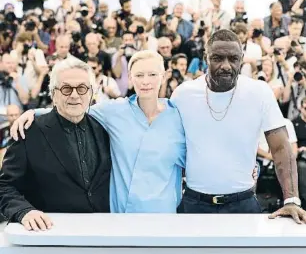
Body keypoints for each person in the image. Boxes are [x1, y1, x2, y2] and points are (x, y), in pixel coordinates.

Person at [11, 50, 259, 215]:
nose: (146, 80)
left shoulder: (179, 116)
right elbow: (75, 106)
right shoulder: (113, 111)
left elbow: (203, 153)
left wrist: (241, 166)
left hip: (164, 215)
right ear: (131, 79)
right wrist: (35, 112)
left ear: (163, 76)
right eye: (139, 75)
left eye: (152, 74)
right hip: (119, 215)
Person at [171, 29, 306, 223]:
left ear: (242, 59)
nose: (226, 66)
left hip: (243, 203)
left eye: (233, 59)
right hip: (194, 202)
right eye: (217, 58)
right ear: (205, 57)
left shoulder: (259, 92)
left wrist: (291, 200)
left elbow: (281, 147)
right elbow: (172, 147)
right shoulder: (183, 94)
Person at [0, 58, 112, 231]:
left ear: (91, 93)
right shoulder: (28, 131)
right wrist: (24, 211)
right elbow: (4, 186)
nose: (75, 95)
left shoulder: (103, 129)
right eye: (66, 89)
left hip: (99, 233)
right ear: (53, 93)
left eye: (82, 88)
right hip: (49, 234)